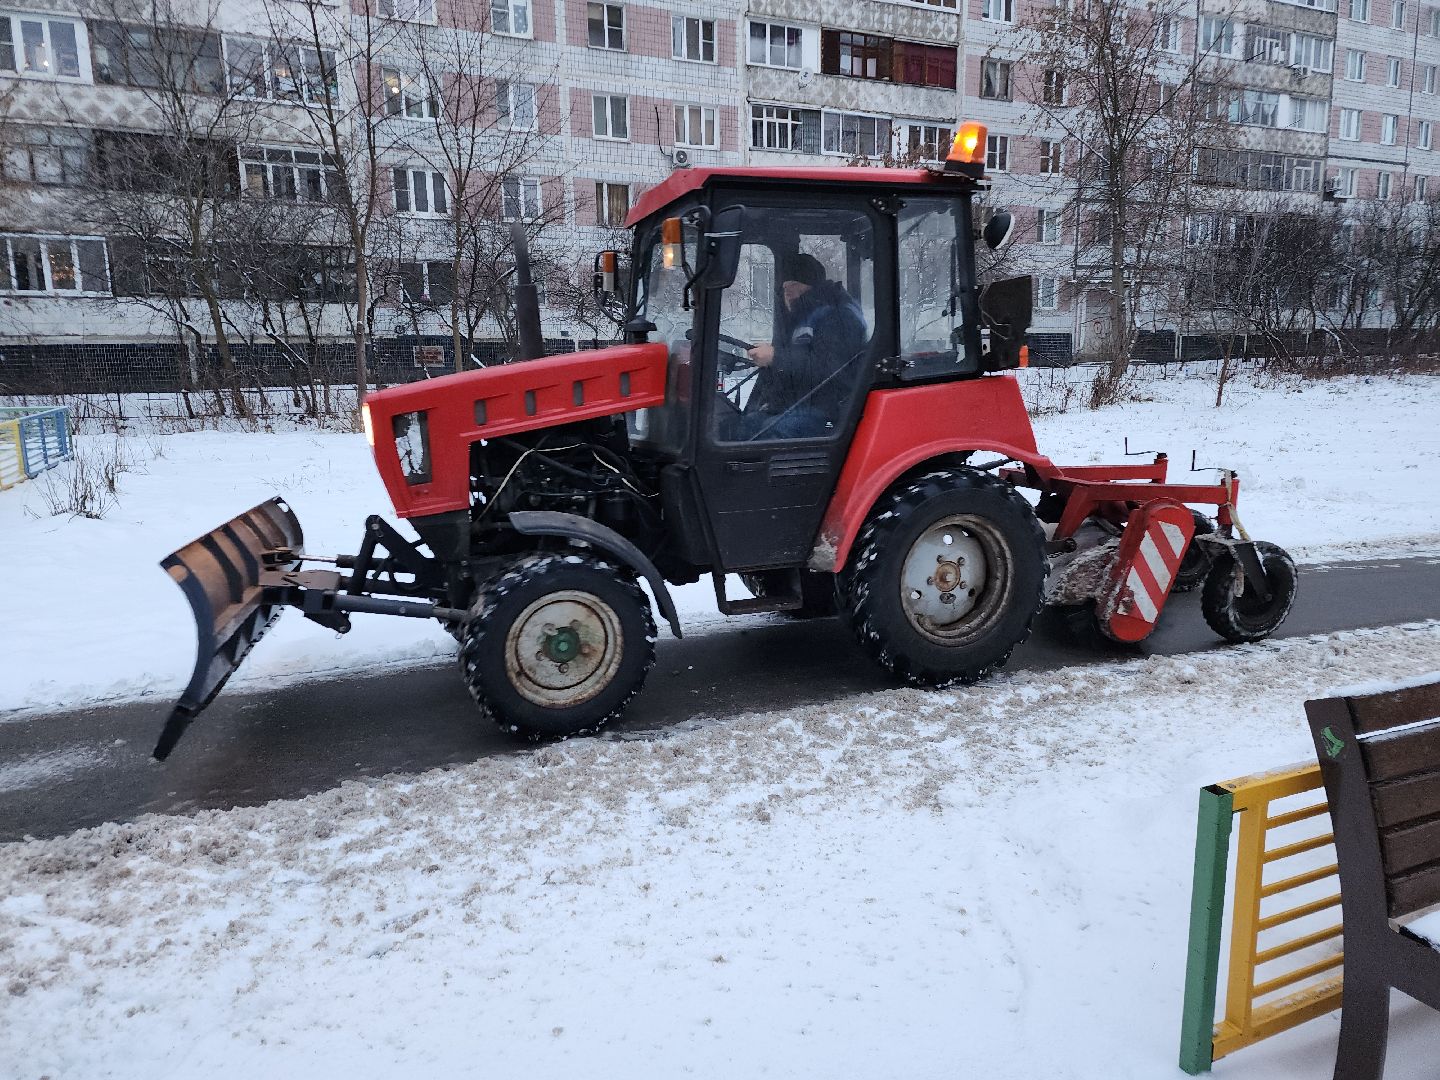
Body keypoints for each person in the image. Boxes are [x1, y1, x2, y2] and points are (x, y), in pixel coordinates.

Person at [737, 252, 867, 439]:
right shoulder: (801, 319)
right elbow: (796, 369)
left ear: (811, 286)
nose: (787, 292)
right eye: (784, 287)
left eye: (794, 285)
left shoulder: (837, 316)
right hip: (803, 402)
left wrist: (776, 357)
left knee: (768, 432)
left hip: (831, 408)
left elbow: (829, 368)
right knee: (744, 424)